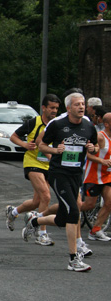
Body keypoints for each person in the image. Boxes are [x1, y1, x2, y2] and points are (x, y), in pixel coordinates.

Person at [23, 92, 98, 272]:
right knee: (74, 212)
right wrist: (56, 150)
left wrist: (92, 148)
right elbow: (41, 145)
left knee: (64, 219)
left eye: (83, 104)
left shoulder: (88, 126)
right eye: (77, 104)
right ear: (69, 108)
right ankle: (74, 259)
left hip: (75, 175)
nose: (81, 107)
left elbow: (95, 147)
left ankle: (35, 221)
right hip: (58, 174)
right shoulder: (57, 125)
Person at [6, 94, 60, 246]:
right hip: (33, 161)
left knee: (37, 201)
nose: (54, 111)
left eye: (56, 108)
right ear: (44, 108)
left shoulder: (58, 124)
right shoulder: (33, 122)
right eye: (51, 108)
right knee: (46, 196)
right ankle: (41, 233)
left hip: (49, 164)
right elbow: (13, 137)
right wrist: (24, 145)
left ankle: (14, 212)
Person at [81, 111, 111, 241]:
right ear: (106, 124)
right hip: (93, 176)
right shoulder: (100, 137)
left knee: (110, 202)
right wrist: (102, 161)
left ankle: (95, 230)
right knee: (88, 206)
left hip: (107, 176)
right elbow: (87, 155)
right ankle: (62, 209)